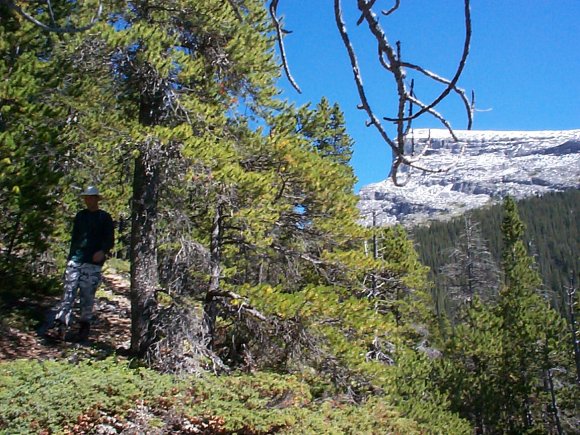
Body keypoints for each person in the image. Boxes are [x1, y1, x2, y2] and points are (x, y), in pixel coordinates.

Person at [53, 186, 115, 342]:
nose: (88, 200)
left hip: (93, 263)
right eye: (86, 197)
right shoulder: (80, 216)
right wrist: (70, 257)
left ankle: (84, 327)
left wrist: (103, 251)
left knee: (87, 296)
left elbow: (110, 240)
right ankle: (61, 325)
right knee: (68, 292)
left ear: (96, 199)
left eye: (91, 197)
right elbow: (75, 237)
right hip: (76, 259)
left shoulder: (104, 218)